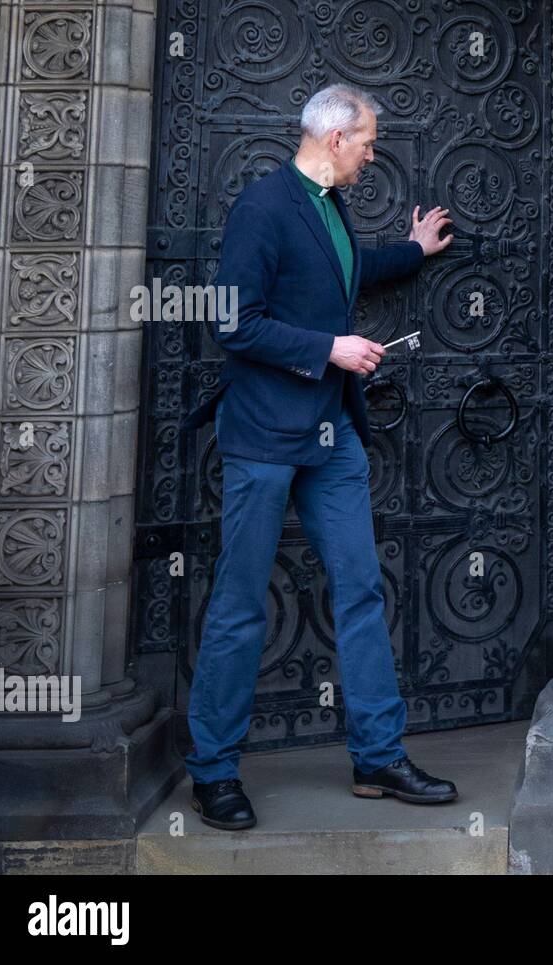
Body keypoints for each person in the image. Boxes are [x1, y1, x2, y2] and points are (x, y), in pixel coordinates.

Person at [178, 83, 455, 830]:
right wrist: (327, 348)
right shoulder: (263, 207)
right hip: (265, 437)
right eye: (367, 141)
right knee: (239, 606)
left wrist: (412, 251)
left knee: (362, 590)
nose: (372, 154)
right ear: (334, 138)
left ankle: (377, 755)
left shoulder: (331, 207)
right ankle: (213, 769)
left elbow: (343, 271)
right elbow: (234, 322)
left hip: (332, 439)